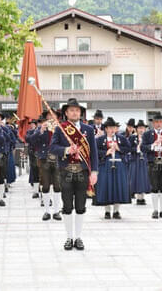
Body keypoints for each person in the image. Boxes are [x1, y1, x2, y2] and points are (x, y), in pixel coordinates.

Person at [50, 98, 98, 251]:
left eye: (77, 110)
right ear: (66, 112)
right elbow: (52, 148)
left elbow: (94, 153)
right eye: (71, 110)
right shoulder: (60, 128)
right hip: (66, 172)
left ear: (81, 113)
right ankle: (69, 237)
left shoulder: (88, 130)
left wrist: (95, 172)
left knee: (81, 206)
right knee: (67, 206)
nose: (74, 112)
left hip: (83, 172)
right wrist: (66, 150)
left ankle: (78, 237)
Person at [93, 117, 131, 219]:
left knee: (118, 187)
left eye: (114, 127)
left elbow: (128, 148)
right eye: (110, 128)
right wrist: (106, 152)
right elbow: (95, 152)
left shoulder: (121, 139)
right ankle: (107, 210)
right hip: (105, 165)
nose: (112, 130)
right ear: (106, 129)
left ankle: (116, 210)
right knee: (106, 187)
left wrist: (119, 148)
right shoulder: (100, 140)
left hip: (119, 166)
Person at [30, 110, 62, 221]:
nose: (51, 118)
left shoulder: (61, 128)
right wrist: (41, 131)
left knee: (58, 186)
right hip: (44, 159)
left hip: (58, 159)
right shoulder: (40, 128)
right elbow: (31, 141)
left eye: (54, 116)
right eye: (49, 116)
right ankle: (47, 211)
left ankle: (57, 211)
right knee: (46, 185)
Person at [128, 120, 151, 204]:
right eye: (139, 128)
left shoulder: (148, 138)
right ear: (136, 129)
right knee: (135, 178)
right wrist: (136, 149)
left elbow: (150, 147)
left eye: (143, 128)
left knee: (144, 178)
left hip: (144, 159)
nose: (141, 130)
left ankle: (142, 196)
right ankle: (138, 196)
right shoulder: (132, 138)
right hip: (135, 159)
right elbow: (128, 148)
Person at [26, 119, 40, 198]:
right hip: (33, 154)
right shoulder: (30, 132)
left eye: (33, 124)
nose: (32, 125)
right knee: (35, 172)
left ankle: (42, 191)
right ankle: (35, 191)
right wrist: (36, 131)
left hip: (42, 154)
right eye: (31, 124)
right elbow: (28, 139)